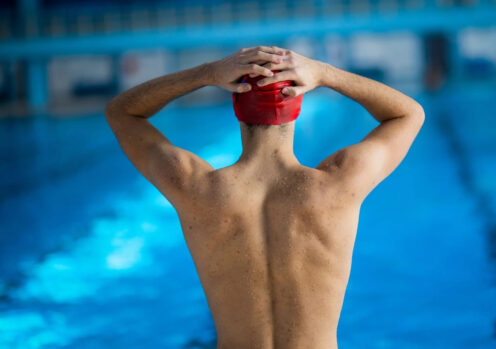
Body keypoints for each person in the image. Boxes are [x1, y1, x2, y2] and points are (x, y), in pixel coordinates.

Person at [106, 46, 424, 348]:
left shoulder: (194, 186)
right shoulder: (341, 182)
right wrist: (324, 72)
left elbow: (122, 112)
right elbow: (408, 114)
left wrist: (206, 73)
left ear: (237, 110)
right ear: (298, 106)